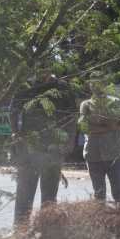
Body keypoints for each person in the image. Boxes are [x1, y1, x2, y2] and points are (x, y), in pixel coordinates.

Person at [10, 73, 77, 227]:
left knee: (49, 195)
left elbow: (72, 117)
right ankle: (20, 229)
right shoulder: (26, 86)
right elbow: (13, 111)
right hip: (28, 146)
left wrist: (69, 142)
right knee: (24, 191)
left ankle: (46, 231)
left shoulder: (63, 88)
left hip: (54, 147)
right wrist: (15, 133)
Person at [78, 81, 120, 204]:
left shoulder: (114, 102)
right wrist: (109, 126)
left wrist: (102, 125)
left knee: (118, 194)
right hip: (94, 155)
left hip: (114, 154)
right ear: (90, 87)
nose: (96, 86)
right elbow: (85, 128)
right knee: (99, 194)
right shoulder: (86, 105)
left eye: (100, 83)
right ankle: (100, 221)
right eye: (93, 84)